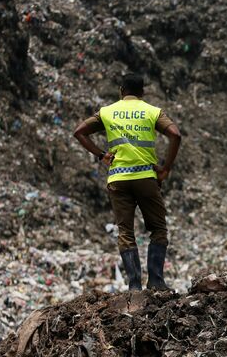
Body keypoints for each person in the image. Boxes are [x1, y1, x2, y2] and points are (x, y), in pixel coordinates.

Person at [73, 74, 181, 291]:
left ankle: (134, 285)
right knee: (158, 229)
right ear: (142, 93)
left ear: (121, 90)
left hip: (118, 180)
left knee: (126, 232)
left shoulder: (107, 112)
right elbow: (175, 135)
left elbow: (79, 132)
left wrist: (101, 154)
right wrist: (166, 167)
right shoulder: (152, 111)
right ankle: (156, 282)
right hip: (146, 178)